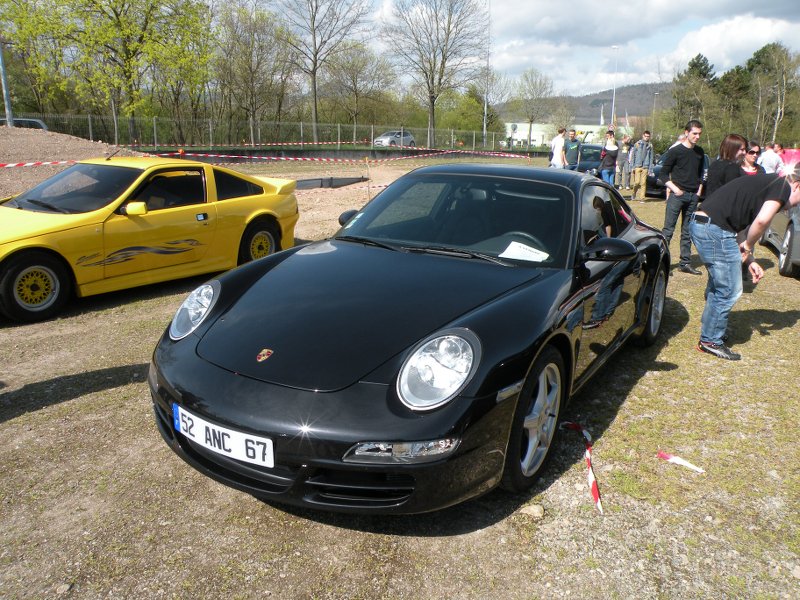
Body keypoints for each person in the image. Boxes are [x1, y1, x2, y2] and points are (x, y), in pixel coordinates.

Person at [689, 166, 800, 360]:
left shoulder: (767, 184)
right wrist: (748, 245)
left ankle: (712, 331)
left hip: (706, 225)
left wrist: (750, 259)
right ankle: (710, 340)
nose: (791, 208)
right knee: (729, 288)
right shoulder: (782, 186)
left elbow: (740, 227)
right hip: (714, 229)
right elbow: (761, 222)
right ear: (797, 186)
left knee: (720, 284)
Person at [658, 120, 706, 275]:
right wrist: (675, 189)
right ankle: (661, 262)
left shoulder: (699, 152)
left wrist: (698, 191)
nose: (697, 137)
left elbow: (700, 174)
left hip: (693, 197)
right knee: (668, 230)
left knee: (687, 232)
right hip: (677, 196)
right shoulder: (675, 151)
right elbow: (663, 174)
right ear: (686, 132)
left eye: (699, 134)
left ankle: (685, 263)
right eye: (694, 133)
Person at [630, 130, 655, 201]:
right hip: (637, 166)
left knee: (643, 183)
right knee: (637, 182)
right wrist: (632, 167)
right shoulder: (637, 144)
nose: (647, 138)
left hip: (645, 166)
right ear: (643, 136)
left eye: (648, 136)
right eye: (645, 136)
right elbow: (633, 156)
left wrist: (650, 169)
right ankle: (634, 193)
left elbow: (651, 157)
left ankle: (642, 198)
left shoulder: (650, 145)